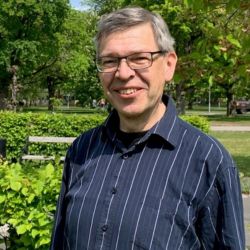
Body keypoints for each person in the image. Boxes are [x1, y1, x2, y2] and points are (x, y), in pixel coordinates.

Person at [50, 7, 245, 250]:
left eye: (140, 58)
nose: (123, 73)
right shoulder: (82, 150)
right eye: (109, 61)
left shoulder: (208, 162)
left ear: (169, 65)